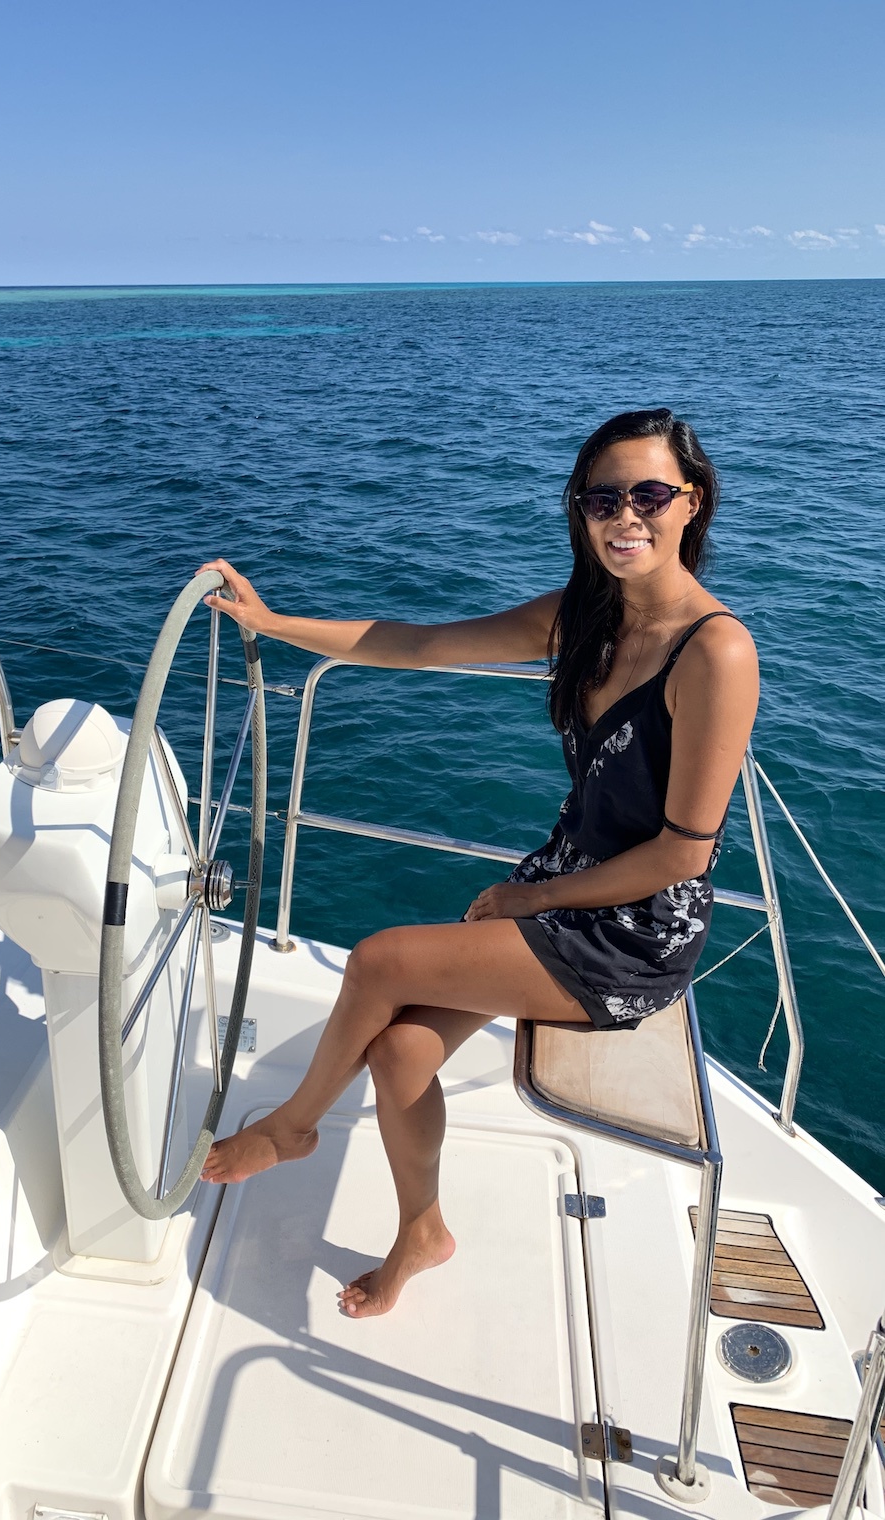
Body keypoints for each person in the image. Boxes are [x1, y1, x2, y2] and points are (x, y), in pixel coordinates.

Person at [198, 407, 759, 1319]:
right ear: (581, 511)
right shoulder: (587, 615)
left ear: (691, 503)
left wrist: (526, 898)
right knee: (399, 1052)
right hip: (564, 886)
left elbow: (679, 855)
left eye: (650, 496)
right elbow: (420, 644)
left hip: (635, 931)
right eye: (602, 500)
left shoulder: (717, 652)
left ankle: (292, 1128)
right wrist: (271, 622)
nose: (625, 517)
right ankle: (423, 1231)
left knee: (380, 960)